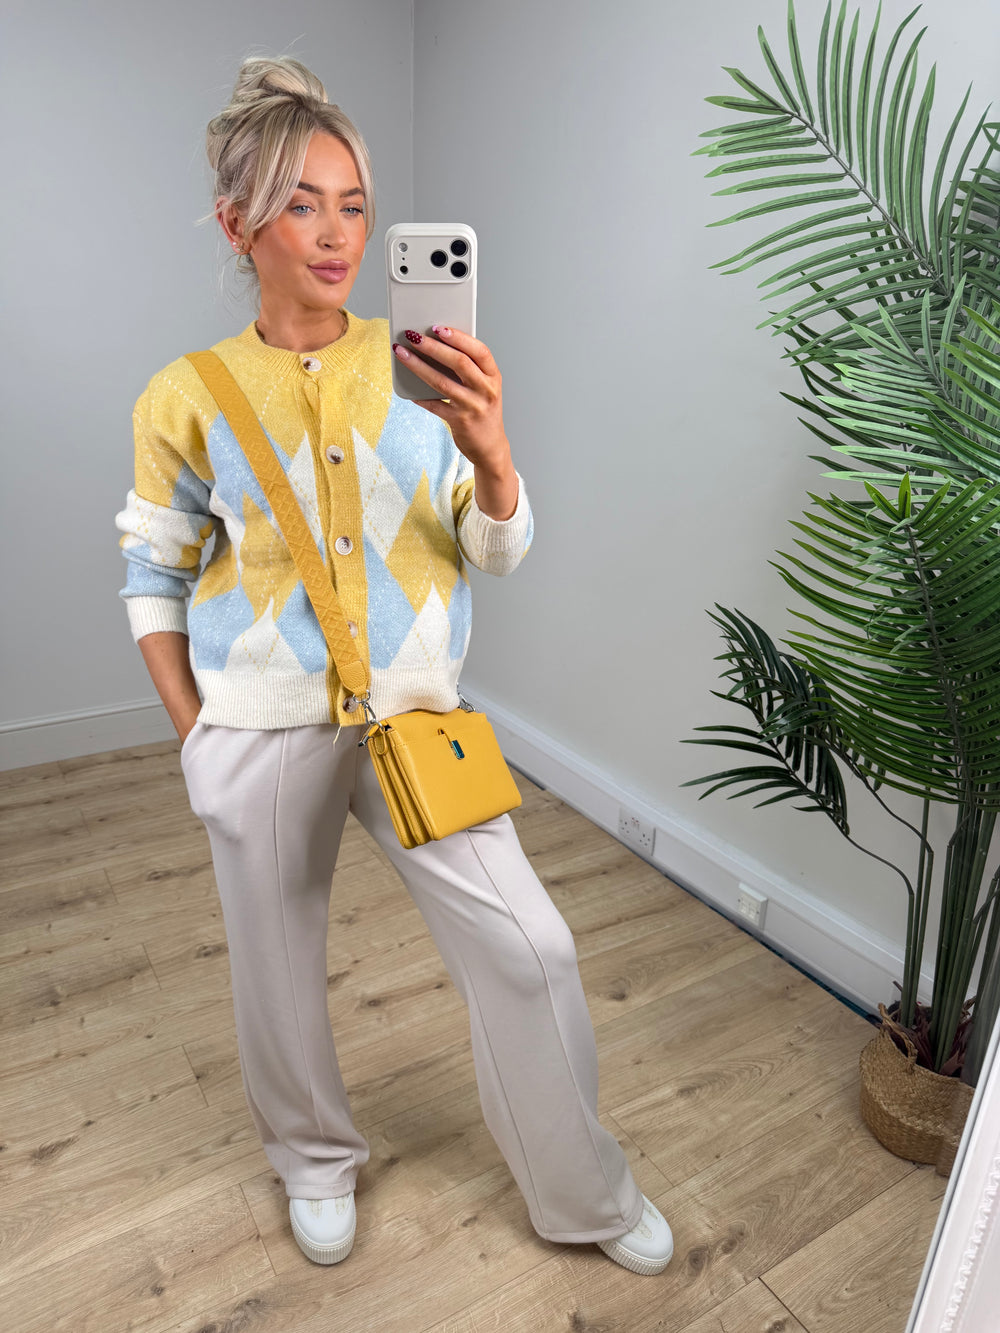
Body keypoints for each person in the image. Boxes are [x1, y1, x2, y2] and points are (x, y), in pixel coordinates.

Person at [115, 54, 673, 1277]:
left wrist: (495, 454)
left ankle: (581, 1190)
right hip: (257, 726)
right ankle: (314, 1158)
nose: (336, 234)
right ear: (237, 225)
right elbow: (151, 574)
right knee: (274, 968)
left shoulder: (424, 359)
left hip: (417, 718)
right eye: (301, 204)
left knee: (533, 948)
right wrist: (194, 732)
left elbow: (496, 549)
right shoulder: (185, 395)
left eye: (354, 204)